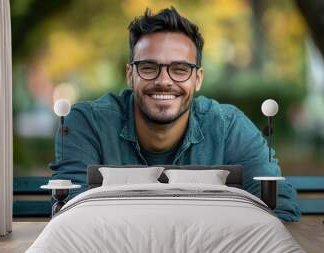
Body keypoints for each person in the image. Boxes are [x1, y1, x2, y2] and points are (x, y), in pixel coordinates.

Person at [50, 7, 300, 222]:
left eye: (180, 69)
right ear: (130, 75)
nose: (164, 81)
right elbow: (69, 209)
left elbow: (280, 207)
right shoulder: (87, 123)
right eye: (148, 67)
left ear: (198, 78)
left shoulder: (228, 126)